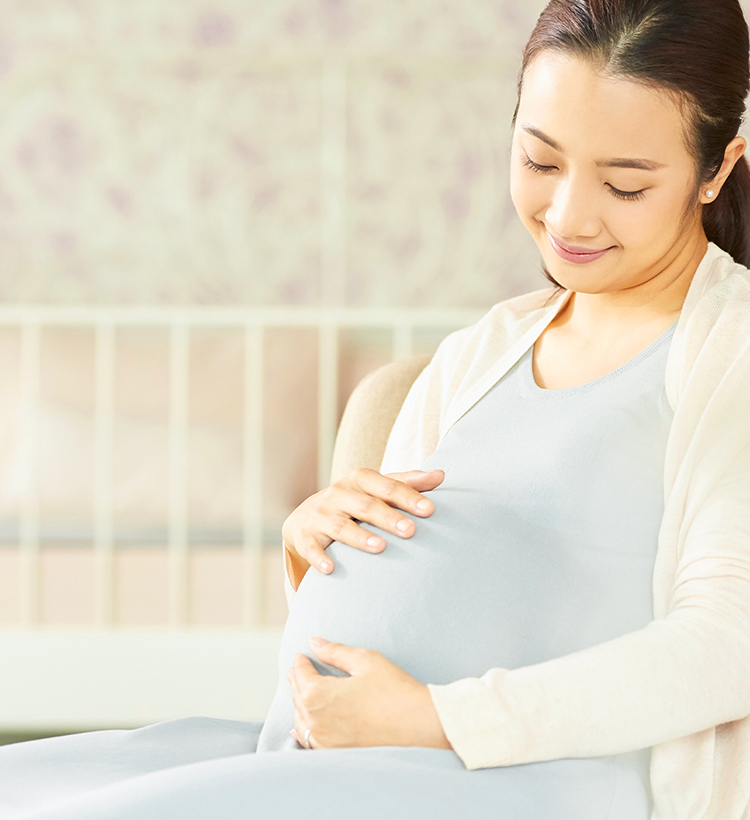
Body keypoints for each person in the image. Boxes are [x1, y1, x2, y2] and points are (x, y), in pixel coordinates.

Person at [2, 1, 749, 818]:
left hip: (518, 775)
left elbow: (726, 649)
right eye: (540, 162)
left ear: (717, 169)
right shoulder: (480, 351)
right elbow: (417, 593)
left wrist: (435, 719)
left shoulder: (729, 349)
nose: (569, 215)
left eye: (624, 183)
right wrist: (315, 546)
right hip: (330, 754)